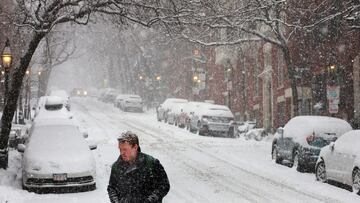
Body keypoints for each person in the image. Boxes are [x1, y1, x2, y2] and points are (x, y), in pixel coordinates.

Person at [107, 131, 170, 203]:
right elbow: (112, 188)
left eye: (125, 149)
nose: (122, 153)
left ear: (135, 147)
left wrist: (150, 200)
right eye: (120, 149)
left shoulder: (151, 163)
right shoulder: (116, 166)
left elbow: (164, 185)